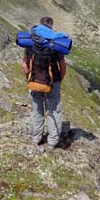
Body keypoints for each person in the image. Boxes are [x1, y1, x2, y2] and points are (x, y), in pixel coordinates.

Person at [21, 16, 66, 148]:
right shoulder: (55, 44)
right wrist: (58, 81)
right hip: (53, 83)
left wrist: (29, 78)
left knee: (36, 110)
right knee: (54, 111)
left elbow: (24, 65)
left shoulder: (30, 42)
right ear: (51, 27)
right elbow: (62, 68)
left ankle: (36, 138)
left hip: (35, 81)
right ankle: (52, 142)